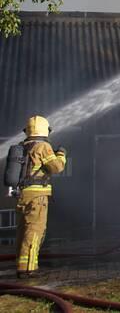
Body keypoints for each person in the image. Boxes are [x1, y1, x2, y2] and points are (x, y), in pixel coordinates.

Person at [14, 115, 67, 279]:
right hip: (37, 197)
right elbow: (56, 167)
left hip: (23, 194)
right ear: (45, 130)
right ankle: (29, 268)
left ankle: (22, 264)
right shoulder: (43, 146)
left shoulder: (23, 146)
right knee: (34, 230)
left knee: (23, 230)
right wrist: (62, 154)